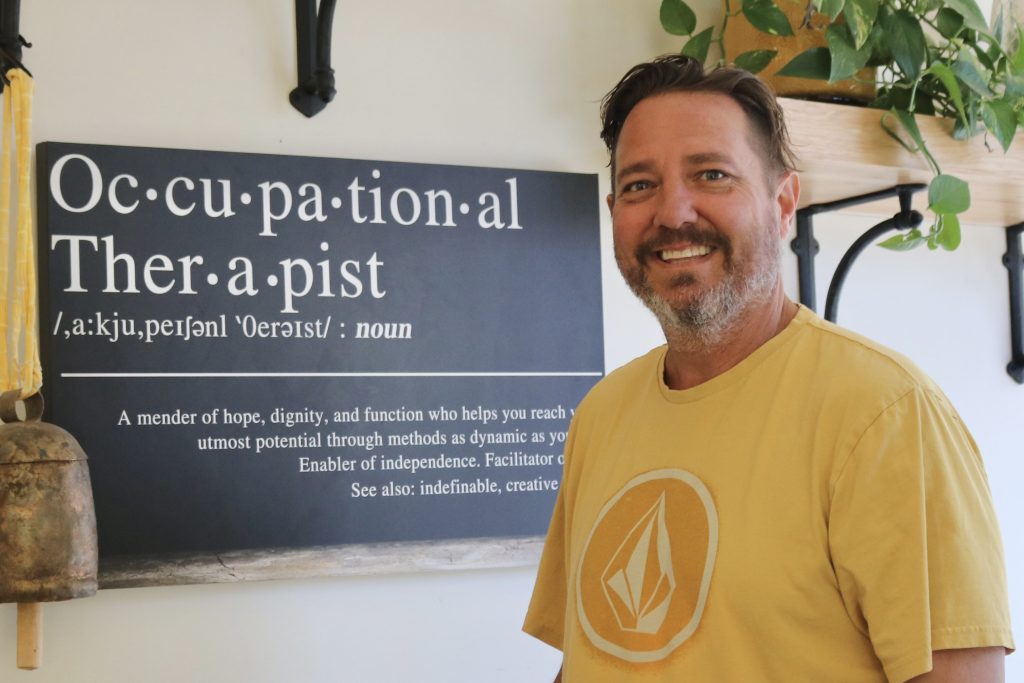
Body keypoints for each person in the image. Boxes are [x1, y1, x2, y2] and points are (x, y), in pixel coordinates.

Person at [523, 54, 1015, 682]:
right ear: (614, 208)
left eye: (711, 174)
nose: (673, 212)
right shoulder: (602, 414)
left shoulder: (884, 414)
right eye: (641, 185)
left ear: (783, 203)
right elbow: (592, 660)